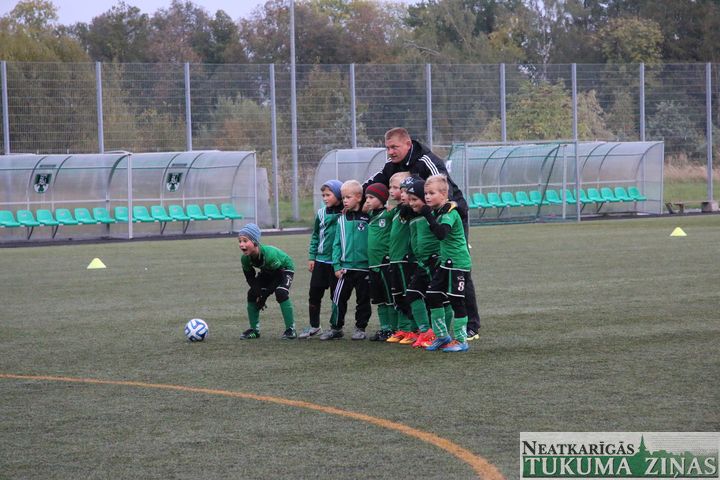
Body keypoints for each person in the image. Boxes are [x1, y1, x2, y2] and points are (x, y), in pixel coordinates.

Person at [363, 127, 481, 340]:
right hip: (423, 221)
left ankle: (471, 325)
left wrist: (447, 212)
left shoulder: (426, 161)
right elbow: (372, 182)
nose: (390, 152)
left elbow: (444, 190)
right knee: (426, 272)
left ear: (408, 144)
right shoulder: (391, 164)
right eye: (387, 148)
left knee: (458, 269)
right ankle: (428, 328)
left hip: (449, 215)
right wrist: (353, 197)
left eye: (394, 147)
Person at [419, 175, 473, 352]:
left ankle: (461, 340)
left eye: (431, 193)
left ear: (443, 194)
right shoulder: (439, 211)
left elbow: (441, 233)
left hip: (457, 263)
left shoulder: (450, 212)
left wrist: (428, 216)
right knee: (433, 295)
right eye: (426, 193)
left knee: (457, 301)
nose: (427, 197)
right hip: (445, 263)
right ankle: (442, 336)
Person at [319, 180, 371, 340]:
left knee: (363, 300)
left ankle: (360, 328)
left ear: (359, 197)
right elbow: (336, 244)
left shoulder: (369, 217)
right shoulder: (341, 219)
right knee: (338, 298)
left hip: (364, 268)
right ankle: (336, 328)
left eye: (348, 197)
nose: (345, 201)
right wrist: (336, 265)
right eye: (343, 197)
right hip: (344, 268)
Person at [238, 223, 297, 340]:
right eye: (239, 241)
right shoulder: (245, 259)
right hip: (268, 270)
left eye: (245, 241)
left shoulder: (269, 254)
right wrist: (258, 293)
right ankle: (254, 331)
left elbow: (278, 277)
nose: (241, 244)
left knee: (281, 292)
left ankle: (291, 330)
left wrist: (264, 296)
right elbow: (250, 278)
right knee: (252, 293)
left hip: (284, 269)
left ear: (255, 242)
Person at [300, 179, 343, 339]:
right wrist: (312, 256)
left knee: (336, 297)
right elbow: (315, 236)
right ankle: (314, 326)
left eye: (328, 195)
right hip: (321, 261)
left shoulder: (346, 213)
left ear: (338, 195)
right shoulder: (320, 213)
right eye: (323, 195)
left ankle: (336, 328)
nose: (325, 198)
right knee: (314, 294)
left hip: (337, 263)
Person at [404, 176, 440, 348]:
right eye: (410, 199)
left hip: (435, 261)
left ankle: (439, 333)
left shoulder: (432, 215)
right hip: (421, 263)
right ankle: (425, 331)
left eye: (415, 199)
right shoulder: (413, 216)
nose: (411, 203)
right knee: (412, 293)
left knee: (439, 298)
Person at [385, 172, 418, 345]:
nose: (392, 191)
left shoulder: (410, 210)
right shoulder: (397, 211)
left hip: (406, 259)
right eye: (390, 187)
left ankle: (414, 329)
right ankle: (404, 329)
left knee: (409, 295)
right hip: (395, 259)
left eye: (396, 188)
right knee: (397, 296)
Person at [362, 182, 395, 341]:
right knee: (379, 299)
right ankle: (385, 328)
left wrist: (392, 207)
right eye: (366, 197)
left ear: (382, 199)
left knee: (389, 299)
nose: (367, 200)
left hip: (384, 263)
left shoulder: (388, 214)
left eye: (371, 197)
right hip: (373, 264)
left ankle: (394, 329)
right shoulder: (370, 215)